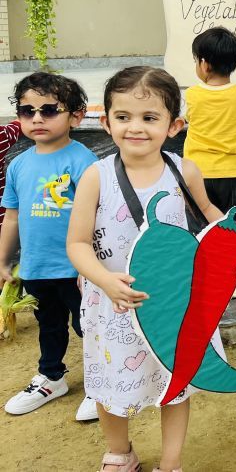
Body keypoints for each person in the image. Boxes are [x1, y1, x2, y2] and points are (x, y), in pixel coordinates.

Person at [66, 66, 236, 472]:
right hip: (114, 305)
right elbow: (76, 243)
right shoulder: (95, 177)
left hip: (176, 304)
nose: (135, 127)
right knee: (110, 386)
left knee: (175, 381)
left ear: (174, 125)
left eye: (149, 117)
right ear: (106, 122)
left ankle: (171, 461)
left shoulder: (185, 171)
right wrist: (105, 280)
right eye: (123, 117)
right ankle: (119, 452)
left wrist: (232, 246)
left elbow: (210, 215)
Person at [0, 73, 98, 422]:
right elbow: (12, 217)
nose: (37, 118)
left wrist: (94, 267)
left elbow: (99, 217)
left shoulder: (85, 162)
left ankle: (101, 384)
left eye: (49, 110)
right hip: (37, 267)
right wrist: (3, 261)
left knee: (89, 326)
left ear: (76, 116)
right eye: (27, 111)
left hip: (77, 269)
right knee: (49, 325)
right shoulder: (18, 165)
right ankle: (52, 378)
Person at [184, 27, 236, 297]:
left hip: (197, 174)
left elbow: (188, 118)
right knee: (234, 228)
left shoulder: (193, 95)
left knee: (201, 228)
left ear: (204, 64)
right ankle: (235, 281)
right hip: (234, 175)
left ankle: (205, 278)